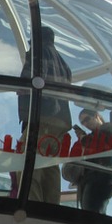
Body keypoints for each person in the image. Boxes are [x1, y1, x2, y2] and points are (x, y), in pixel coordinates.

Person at [16, 26, 73, 204]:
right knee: (49, 165)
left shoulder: (37, 53)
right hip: (61, 119)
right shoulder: (63, 63)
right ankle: (51, 207)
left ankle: (31, 206)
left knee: (26, 162)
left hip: (42, 116)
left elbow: (26, 84)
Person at [65, 109, 112, 215]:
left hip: (103, 174)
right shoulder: (90, 137)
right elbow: (72, 158)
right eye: (83, 123)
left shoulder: (109, 129)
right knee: (88, 211)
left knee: (92, 213)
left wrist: (84, 141)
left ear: (96, 116)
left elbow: (104, 147)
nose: (86, 124)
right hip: (89, 177)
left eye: (87, 119)